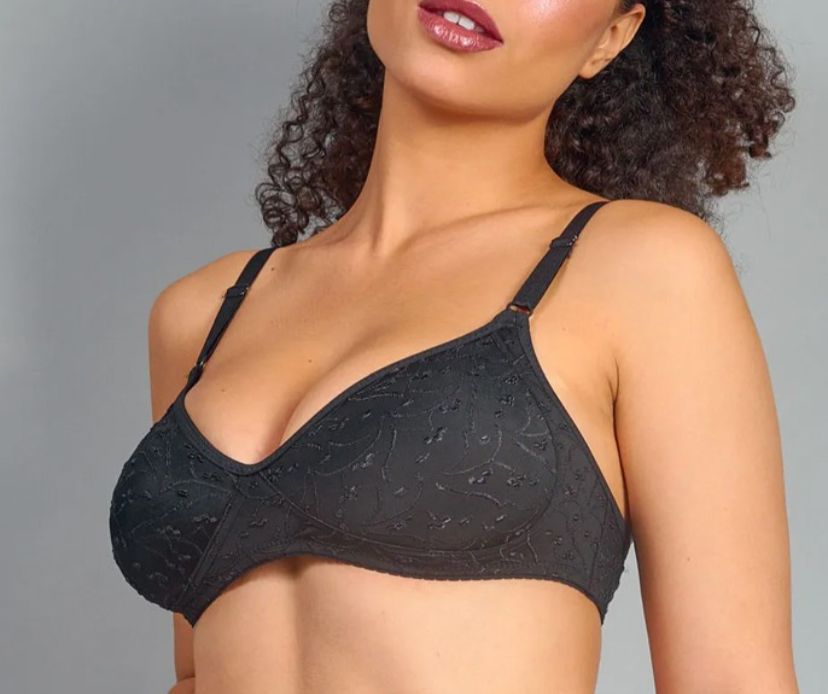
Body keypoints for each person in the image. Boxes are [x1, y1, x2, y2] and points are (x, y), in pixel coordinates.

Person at [108, 1, 800, 692]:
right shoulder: (202, 313)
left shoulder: (641, 268)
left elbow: (734, 681)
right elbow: (196, 675)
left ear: (610, 38)